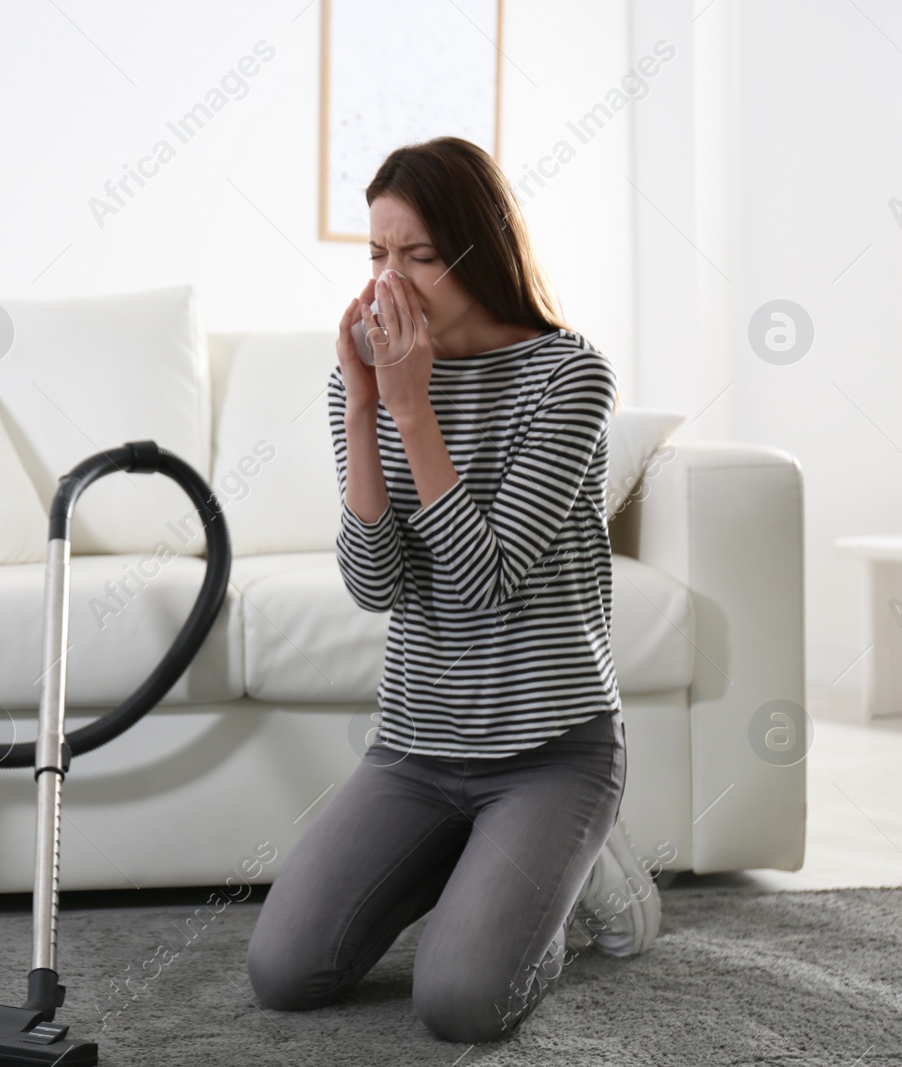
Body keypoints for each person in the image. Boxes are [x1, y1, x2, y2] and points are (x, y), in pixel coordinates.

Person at [245, 136, 661, 1044]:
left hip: (554, 748)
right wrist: (361, 406)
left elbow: (486, 583)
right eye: (376, 255)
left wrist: (410, 407)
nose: (389, 280)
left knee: (462, 1003)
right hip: (417, 747)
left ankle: (564, 893)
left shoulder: (569, 377)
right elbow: (373, 583)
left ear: (481, 250)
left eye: (419, 256)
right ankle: (491, 874)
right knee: (285, 972)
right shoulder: (364, 382)